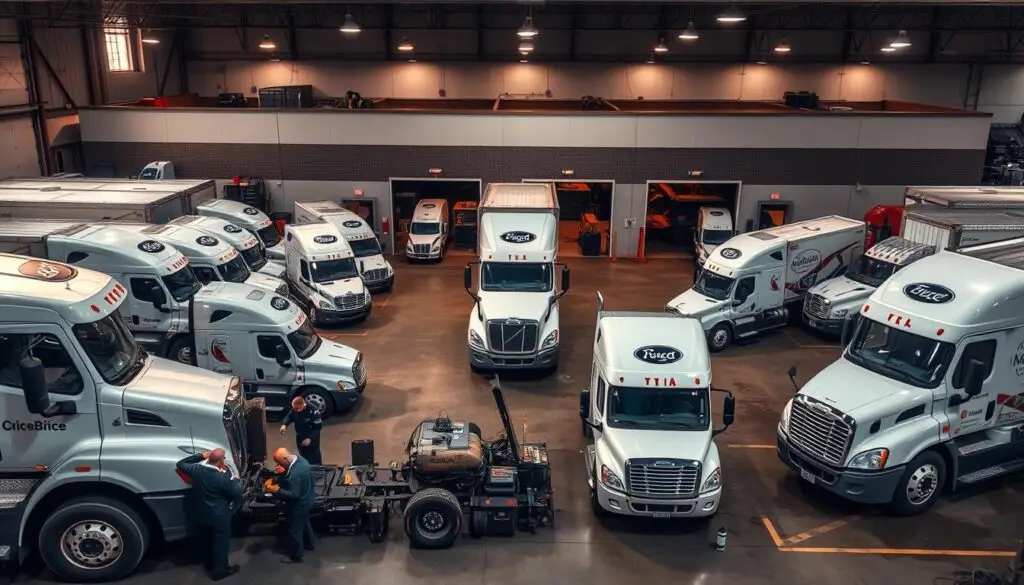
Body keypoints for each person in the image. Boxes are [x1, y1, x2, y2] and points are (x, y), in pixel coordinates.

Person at [176, 448, 242, 581]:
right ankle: (221, 571)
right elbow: (237, 491)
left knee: (208, 539)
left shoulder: (196, 470)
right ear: (221, 461)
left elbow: (181, 463)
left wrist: (201, 455)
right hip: (219, 516)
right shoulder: (222, 478)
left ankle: (211, 564)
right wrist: (235, 479)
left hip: (202, 513)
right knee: (221, 543)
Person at [266, 447, 316, 563]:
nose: (278, 465)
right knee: (304, 521)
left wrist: (276, 490)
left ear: (285, 459)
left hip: (299, 505)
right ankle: (309, 544)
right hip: (309, 499)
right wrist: (283, 472)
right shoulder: (301, 460)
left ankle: (296, 556)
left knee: (295, 529)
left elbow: (293, 495)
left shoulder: (294, 473)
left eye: (279, 463)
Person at [279, 396, 323, 465]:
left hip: (311, 438)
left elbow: (317, 428)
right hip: (300, 435)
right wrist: (284, 424)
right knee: (303, 455)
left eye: (297, 409)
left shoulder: (313, 411)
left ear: (303, 405)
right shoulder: (295, 408)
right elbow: (289, 416)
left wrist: (310, 439)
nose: (296, 410)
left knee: (314, 457)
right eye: (294, 409)